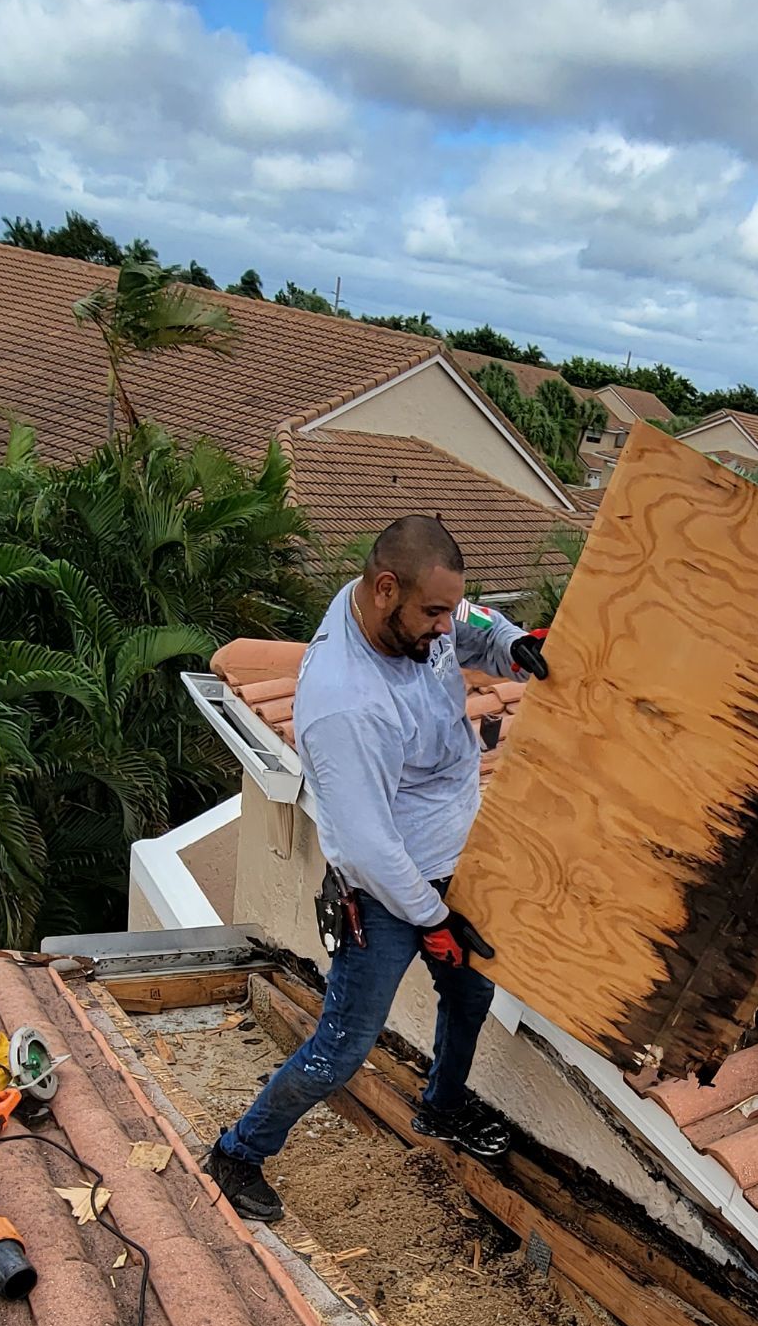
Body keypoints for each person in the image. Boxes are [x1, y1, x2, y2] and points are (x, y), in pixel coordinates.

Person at [205, 512, 548, 1225]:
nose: (444, 628)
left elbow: (472, 619)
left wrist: (513, 643)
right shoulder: (344, 703)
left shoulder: (406, 610)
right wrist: (434, 920)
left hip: (453, 866)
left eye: (447, 610)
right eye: (432, 613)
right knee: (341, 1051)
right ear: (385, 589)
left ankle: (443, 1108)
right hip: (389, 896)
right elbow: (365, 846)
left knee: (470, 999)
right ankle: (239, 1151)